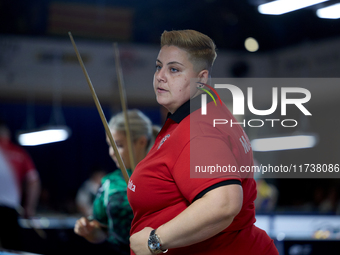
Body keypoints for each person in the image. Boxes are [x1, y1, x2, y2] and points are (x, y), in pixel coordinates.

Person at [128, 30, 279, 255]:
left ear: (201, 78)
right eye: (158, 66)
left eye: (174, 70)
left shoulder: (199, 129)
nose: (160, 76)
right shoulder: (205, 111)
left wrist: (154, 241)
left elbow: (224, 203)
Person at [74, 109, 160, 255]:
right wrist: (88, 230)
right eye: (110, 145)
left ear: (141, 142)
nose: (111, 152)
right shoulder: (109, 182)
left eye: (118, 145)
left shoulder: (162, 178)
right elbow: (102, 230)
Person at [0, 119, 41, 250]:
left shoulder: (18, 153)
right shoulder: (19, 153)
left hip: (9, 210)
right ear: (7, 133)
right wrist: (29, 207)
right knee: (11, 249)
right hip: (9, 211)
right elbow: (34, 182)